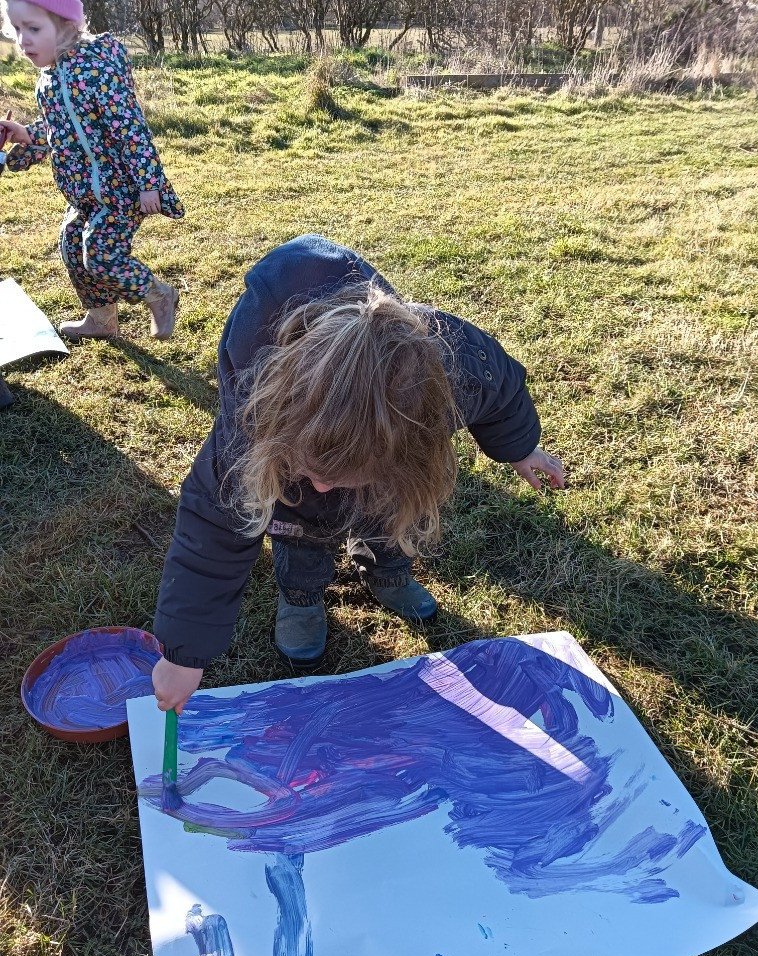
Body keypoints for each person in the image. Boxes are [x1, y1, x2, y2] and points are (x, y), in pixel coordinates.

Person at [152, 234, 565, 713]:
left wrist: (520, 449)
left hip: (390, 471)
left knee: (388, 513)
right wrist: (184, 653)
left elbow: (504, 389)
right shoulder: (253, 420)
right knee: (300, 527)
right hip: (284, 478)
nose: (324, 486)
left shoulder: (454, 367)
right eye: (316, 472)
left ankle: (387, 571)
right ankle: (302, 597)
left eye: (345, 475)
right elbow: (213, 522)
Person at [0, 0, 184, 340]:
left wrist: (148, 183)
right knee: (72, 245)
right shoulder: (49, 79)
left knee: (99, 253)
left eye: (34, 29)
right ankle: (102, 321)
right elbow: (59, 131)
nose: (23, 40)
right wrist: (26, 135)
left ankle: (160, 295)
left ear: (68, 26)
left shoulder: (94, 70)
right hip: (85, 192)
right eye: (17, 29)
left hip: (120, 189)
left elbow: (130, 128)